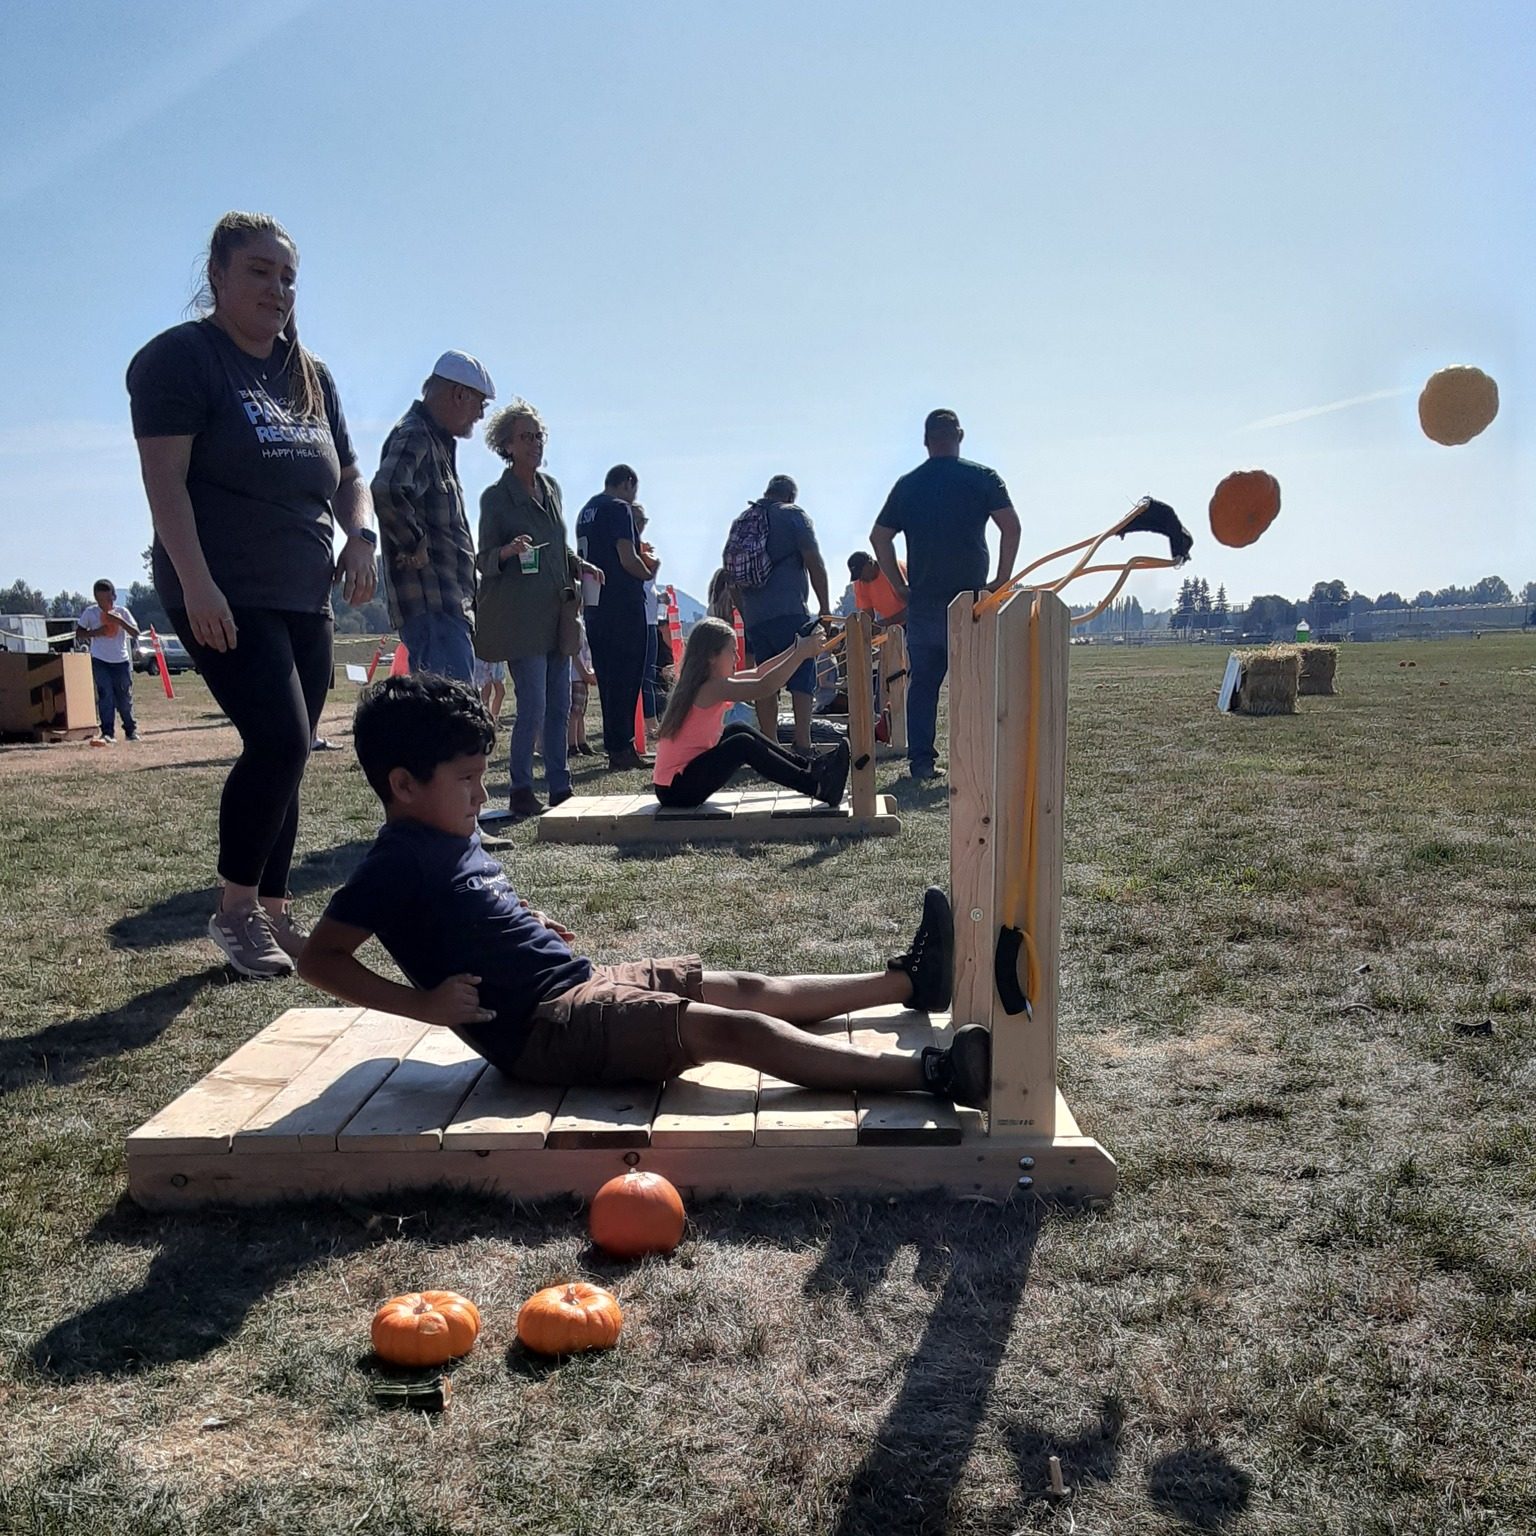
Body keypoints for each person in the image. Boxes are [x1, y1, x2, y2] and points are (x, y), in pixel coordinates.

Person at [296, 674, 988, 1105]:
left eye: (483, 775)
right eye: (467, 780)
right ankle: (931, 1075)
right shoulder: (394, 861)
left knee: (742, 987)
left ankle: (907, 984)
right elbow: (319, 959)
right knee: (732, 1030)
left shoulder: (444, 832)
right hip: (545, 1031)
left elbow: (467, 907)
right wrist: (423, 1006)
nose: (483, 792)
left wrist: (530, 917)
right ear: (404, 785)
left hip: (578, 983)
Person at [127, 210, 377, 979]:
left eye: (288, 276)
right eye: (261, 273)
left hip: (303, 592)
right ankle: (235, 912)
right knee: (277, 739)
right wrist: (196, 584)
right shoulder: (182, 360)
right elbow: (164, 483)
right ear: (219, 278)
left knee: (293, 748)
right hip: (223, 589)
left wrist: (360, 536)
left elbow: (347, 476)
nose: (278, 289)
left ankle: (273, 911)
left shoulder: (309, 371)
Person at [869, 410, 1021, 780]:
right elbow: (1011, 527)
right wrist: (1002, 577)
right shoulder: (982, 478)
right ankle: (977, 757)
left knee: (923, 684)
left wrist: (900, 587)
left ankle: (922, 762)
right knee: (976, 683)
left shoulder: (908, 485)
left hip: (923, 603)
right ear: (960, 436)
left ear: (926, 441)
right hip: (971, 602)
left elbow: (879, 537)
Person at [476, 400, 598, 820]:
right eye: (526, 437)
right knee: (532, 704)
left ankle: (561, 785)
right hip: (521, 617)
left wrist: (580, 564)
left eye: (538, 436)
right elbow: (483, 559)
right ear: (506, 445)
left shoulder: (551, 488)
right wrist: (508, 551)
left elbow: (558, 544)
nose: (535, 444)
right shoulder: (495, 498)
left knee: (561, 702)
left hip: (557, 612)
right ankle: (521, 788)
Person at [373, 351, 496, 683]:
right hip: (434, 606)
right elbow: (387, 488)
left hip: (443, 608)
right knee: (450, 721)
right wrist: (413, 543)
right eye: (480, 405)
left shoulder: (433, 441)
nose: (480, 416)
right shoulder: (416, 435)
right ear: (459, 394)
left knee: (446, 717)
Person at [653, 618, 849, 810]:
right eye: (732, 652)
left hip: (675, 785)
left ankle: (811, 769)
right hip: (677, 790)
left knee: (737, 730)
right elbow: (764, 687)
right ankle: (817, 785)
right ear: (711, 656)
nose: (737, 659)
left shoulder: (703, 683)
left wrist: (796, 647)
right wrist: (800, 654)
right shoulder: (712, 687)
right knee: (741, 744)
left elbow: (758, 673)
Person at [723, 475, 832, 752]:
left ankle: (769, 743)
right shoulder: (793, 515)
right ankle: (803, 742)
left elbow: (731, 576)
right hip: (790, 610)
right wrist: (825, 607)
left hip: (757, 616)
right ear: (791, 496)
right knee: (802, 673)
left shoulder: (744, 520)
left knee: (765, 678)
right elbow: (813, 561)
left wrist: (747, 613)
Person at [574, 465, 655, 769]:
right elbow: (627, 556)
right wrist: (649, 571)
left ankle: (615, 745)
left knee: (608, 680)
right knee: (628, 676)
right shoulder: (620, 508)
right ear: (628, 483)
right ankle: (623, 747)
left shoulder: (586, 510)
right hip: (622, 601)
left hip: (595, 605)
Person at [76, 579, 141, 744]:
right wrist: (97, 632)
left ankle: (130, 731)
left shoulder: (123, 612)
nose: (105, 604)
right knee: (106, 695)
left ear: (114, 596)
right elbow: (80, 633)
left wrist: (120, 622)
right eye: (101, 600)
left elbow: (135, 632)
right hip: (100, 659)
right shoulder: (90, 613)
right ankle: (107, 732)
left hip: (121, 660)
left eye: (108, 600)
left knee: (124, 696)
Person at [633, 504, 663, 739]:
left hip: (650, 620)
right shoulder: (633, 549)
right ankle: (648, 723)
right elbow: (652, 564)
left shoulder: (640, 548)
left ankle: (650, 720)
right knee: (644, 676)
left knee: (649, 675)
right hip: (640, 621)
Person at [847, 550, 908, 628]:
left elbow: (914, 605)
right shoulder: (860, 584)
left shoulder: (892, 568)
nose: (861, 578)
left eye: (861, 573)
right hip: (893, 627)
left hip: (916, 618)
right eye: (857, 575)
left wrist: (885, 623)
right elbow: (868, 616)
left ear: (870, 563)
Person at [568, 621, 597, 756]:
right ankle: (572, 744)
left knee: (580, 711)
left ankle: (582, 741)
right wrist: (584, 673)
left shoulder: (582, 623)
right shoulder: (573, 625)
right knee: (574, 712)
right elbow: (573, 654)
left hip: (582, 674)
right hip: (575, 675)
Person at [474, 657, 507, 722]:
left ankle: (493, 720)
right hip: (484, 656)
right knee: (486, 690)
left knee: (500, 691)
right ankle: (486, 720)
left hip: (496, 656)